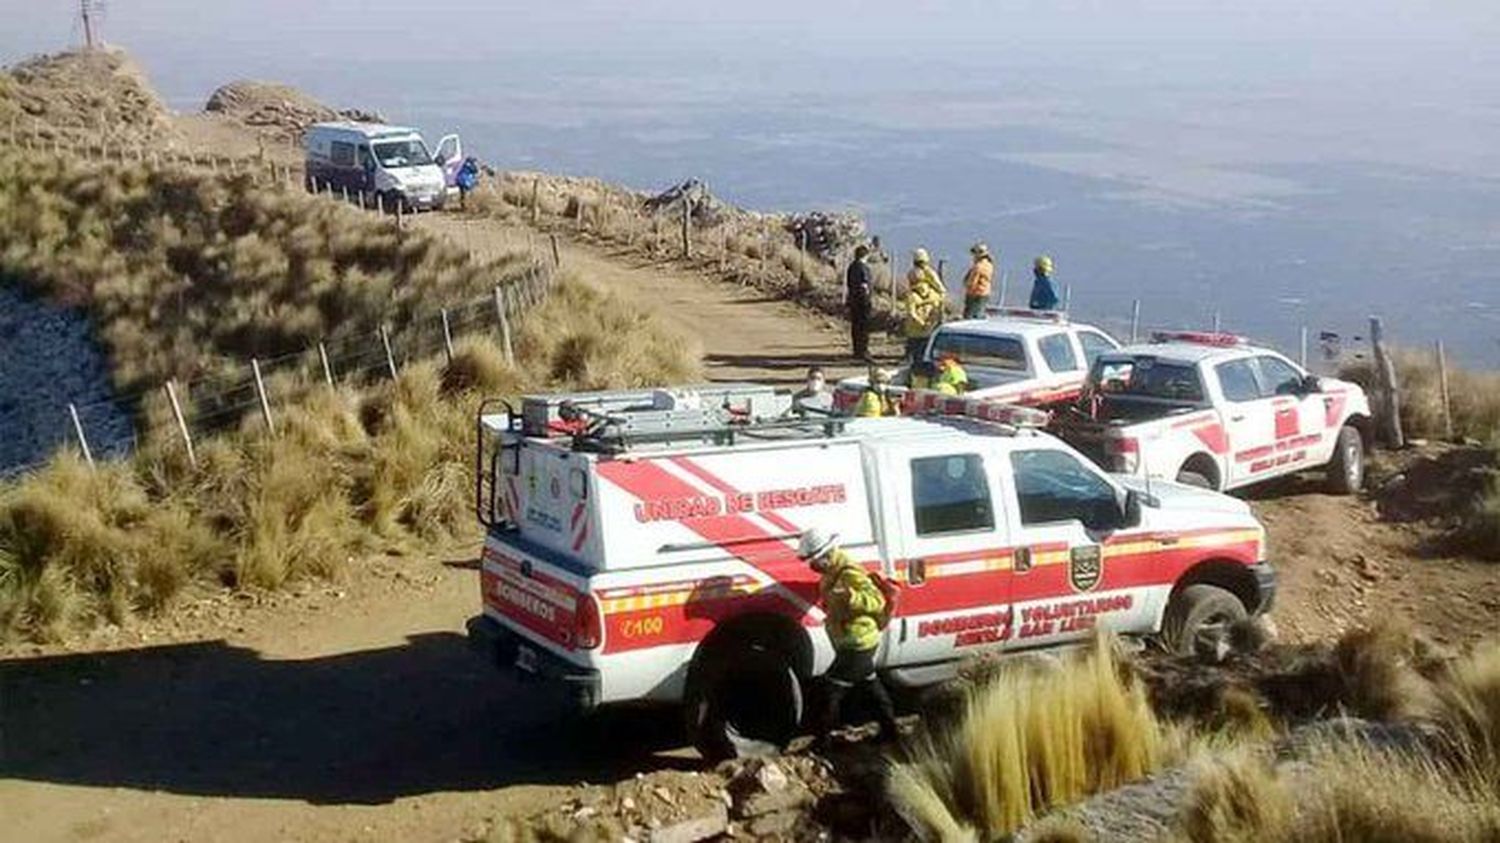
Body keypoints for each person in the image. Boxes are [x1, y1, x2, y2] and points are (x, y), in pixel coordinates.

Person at [797, 528, 900, 749]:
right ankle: (891, 732)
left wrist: (851, 598)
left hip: (858, 641)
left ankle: (822, 741)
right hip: (850, 640)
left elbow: (876, 601)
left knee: (831, 690)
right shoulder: (832, 572)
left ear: (826, 555)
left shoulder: (849, 572)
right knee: (871, 686)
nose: (812, 566)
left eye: (814, 561)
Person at [903, 248, 946, 363]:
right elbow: (941, 290)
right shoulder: (929, 274)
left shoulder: (915, 274)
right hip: (930, 312)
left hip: (915, 326)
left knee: (915, 344)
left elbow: (911, 312)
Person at [845, 245, 875, 361]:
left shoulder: (851, 267)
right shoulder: (863, 268)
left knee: (856, 327)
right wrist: (867, 299)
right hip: (863, 302)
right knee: (864, 327)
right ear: (865, 255)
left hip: (853, 301)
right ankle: (864, 351)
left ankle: (857, 351)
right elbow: (864, 285)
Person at [962, 242, 995, 319]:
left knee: (971, 317)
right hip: (984, 293)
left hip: (976, 295)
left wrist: (968, 290)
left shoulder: (978, 267)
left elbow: (972, 283)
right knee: (979, 314)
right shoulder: (989, 265)